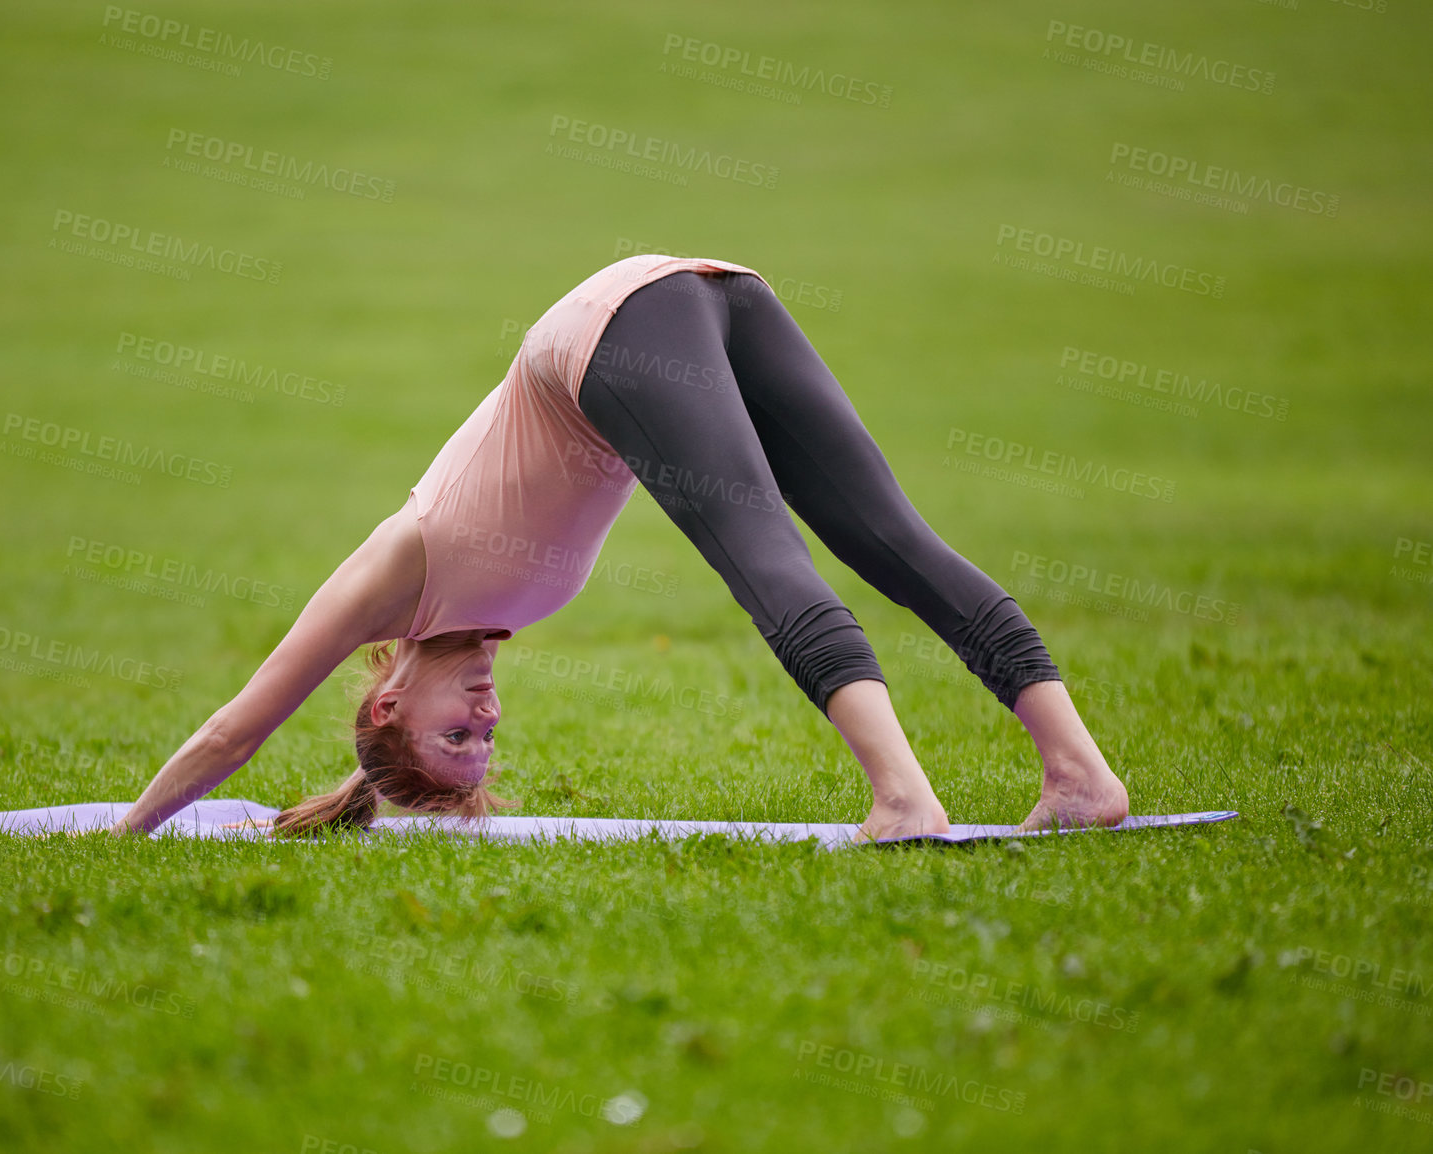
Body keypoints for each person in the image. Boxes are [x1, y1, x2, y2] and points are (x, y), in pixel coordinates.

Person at [109, 255, 1128, 841]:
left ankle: (903, 796)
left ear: (385, 701)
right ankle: (1078, 776)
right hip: (716, 296)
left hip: (616, 325)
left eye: (452, 735)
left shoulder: (394, 572)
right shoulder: (515, 611)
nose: (485, 714)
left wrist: (122, 833)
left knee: (760, 553)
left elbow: (235, 731)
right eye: (485, 739)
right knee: (889, 541)